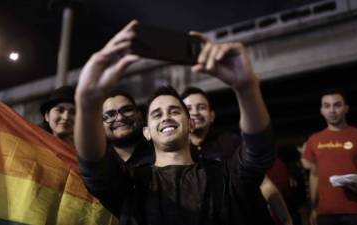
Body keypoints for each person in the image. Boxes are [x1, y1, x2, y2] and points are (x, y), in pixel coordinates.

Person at [74, 20, 275, 225]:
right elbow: (94, 168)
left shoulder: (225, 177)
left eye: (174, 111)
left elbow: (258, 152)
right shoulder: (131, 183)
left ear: (191, 124)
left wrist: (247, 89)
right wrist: (87, 103)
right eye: (156, 114)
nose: (166, 117)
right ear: (147, 132)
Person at [182, 86, 291, 225]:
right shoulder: (176, 153)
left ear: (212, 115)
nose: (195, 112)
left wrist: (286, 220)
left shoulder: (230, 142)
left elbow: (264, 184)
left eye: (201, 107)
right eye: (189, 108)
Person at [303, 89, 357, 225]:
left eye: (337, 105)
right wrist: (313, 208)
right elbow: (314, 175)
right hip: (326, 212)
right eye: (327, 106)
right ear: (321, 110)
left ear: (346, 108)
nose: (332, 110)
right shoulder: (314, 139)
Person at [0, 86, 76, 148]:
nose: (66, 117)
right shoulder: (30, 145)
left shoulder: (89, 154)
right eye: (60, 110)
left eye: (73, 112)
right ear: (46, 116)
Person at [102, 90, 153, 166]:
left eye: (126, 110)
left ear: (139, 115)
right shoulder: (96, 161)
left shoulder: (160, 150)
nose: (120, 118)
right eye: (110, 115)